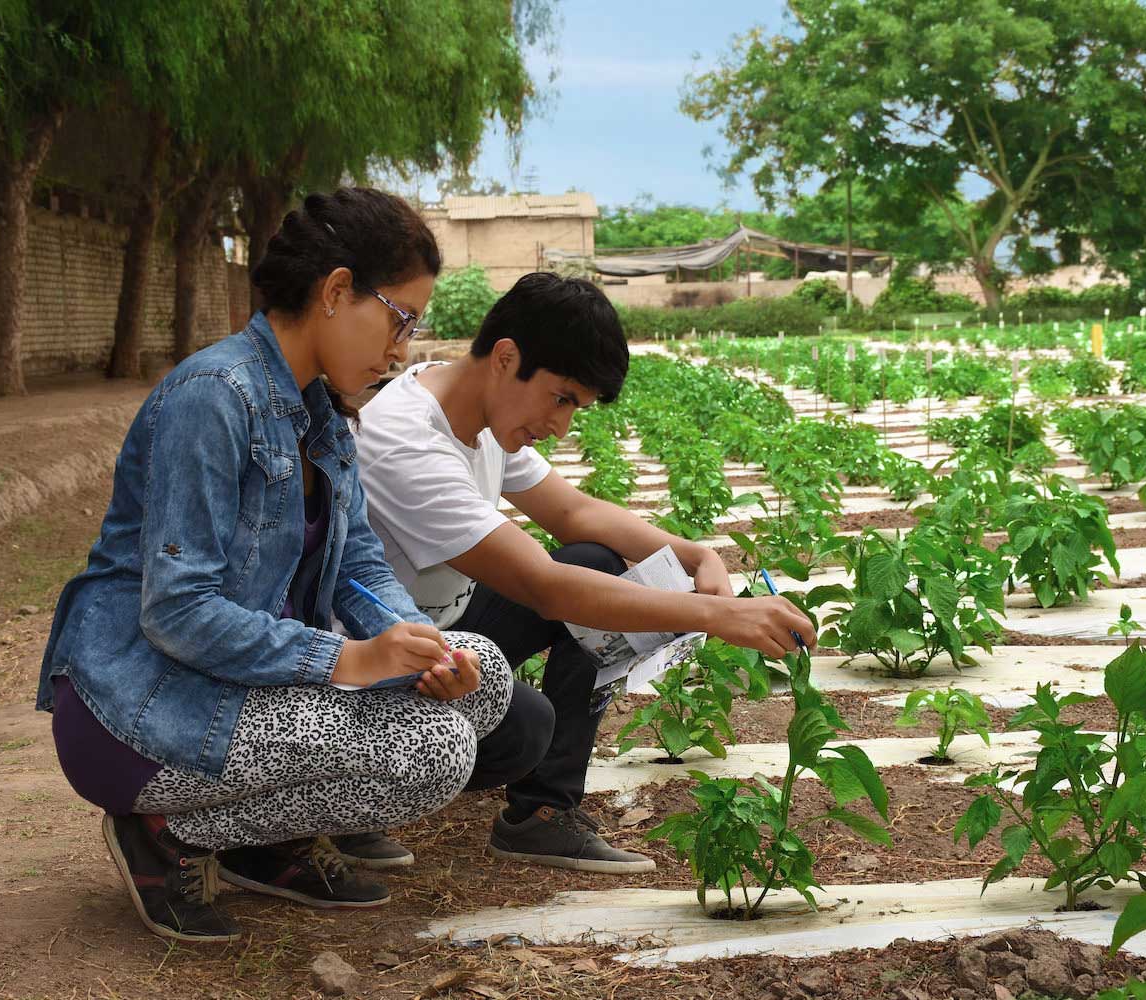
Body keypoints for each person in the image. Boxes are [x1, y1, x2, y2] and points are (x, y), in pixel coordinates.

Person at [34, 187, 512, 943]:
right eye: (401, 318)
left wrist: (418, 641)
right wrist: (346, 659)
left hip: (239, 691)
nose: (404, 348)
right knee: (437, 749)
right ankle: (164, 832)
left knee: (482, 676)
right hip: (141, 710)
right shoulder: (212, 398)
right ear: (336, 292)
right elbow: (177, 610)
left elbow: (356, 565)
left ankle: (263, 843)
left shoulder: (317, 409)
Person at [347, 272, 817, 874]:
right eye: (562, 398)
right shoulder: (406, 440)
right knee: (523, 729)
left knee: (597, 559)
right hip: (376, 658)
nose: (563, 425)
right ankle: (353, 800)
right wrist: (720, 615)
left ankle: (541, 818)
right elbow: (544, 586)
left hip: (446, 625)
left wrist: (693, 554)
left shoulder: (476, 407)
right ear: (507, 358)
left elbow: (574, 512)